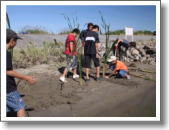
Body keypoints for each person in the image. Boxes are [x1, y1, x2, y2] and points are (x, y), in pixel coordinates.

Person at [6, 29, 36, 117]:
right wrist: (27, 78)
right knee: (20, 107)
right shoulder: (6, 53)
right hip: (8, 88)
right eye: (16, 41)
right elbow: (8, 71)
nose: (16, 43)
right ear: (11, 41)